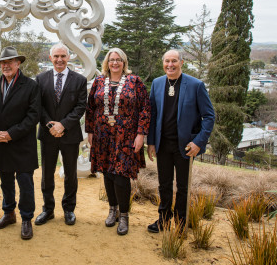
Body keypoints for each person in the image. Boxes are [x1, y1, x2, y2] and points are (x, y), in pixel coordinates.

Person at [146, 49, 215, 233]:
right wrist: (151, 142)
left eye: (174, 61)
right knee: (164, 185)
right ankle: (164, 219)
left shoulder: (196, 85)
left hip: (186, 146)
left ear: (181, 62)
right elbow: (152, 115)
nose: (170, 64)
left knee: (183, 187)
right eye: (167, 61)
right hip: (163, 144)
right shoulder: (157, 83)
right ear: (163, 63)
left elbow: (209, 116)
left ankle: (181, 222)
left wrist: (199, 142)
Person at [86, 47, 150, 235]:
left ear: (124, 63)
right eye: (112, 59)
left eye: (119, 60)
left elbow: (145, 109)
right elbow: (90, 108)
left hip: (126, 136)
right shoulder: (98, 81)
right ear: (107, 62)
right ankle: (112, 210)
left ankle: (124, 215)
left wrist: (140, 134)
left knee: (121, 175)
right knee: (107, 172)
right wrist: (90, 130)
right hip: (102, 135)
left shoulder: (134, 81)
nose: (115, 63)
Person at [0, 46, 41, 240]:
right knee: (6, 181)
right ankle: (9, 213)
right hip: (0, 142)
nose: (5, 65)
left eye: (9, 62)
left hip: (22, 143)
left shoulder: (31, 86)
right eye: (3, 62)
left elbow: (33, 116)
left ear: (18, 63)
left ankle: (26, 219)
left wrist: (11, 134)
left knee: (25, 182)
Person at [34, 43, 87, 226]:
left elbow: (81, 107)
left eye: (63, 56)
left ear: (69, 57)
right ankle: (47, 210)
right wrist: (51, 125)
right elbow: (38, 106)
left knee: (71, 174)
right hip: (48, 135)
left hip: (70, 134)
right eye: (56, 56)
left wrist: (63, 125)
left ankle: (69, 209)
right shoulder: (40, 79)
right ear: (50, 58)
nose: (59, 59)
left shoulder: (79, 80)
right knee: (47, 174)